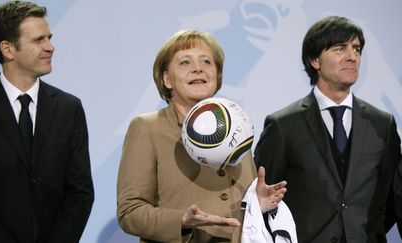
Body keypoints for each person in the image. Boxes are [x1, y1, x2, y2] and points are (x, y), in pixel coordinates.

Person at [117, 29, 289, 243]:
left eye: (206, 62)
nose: (198, 68)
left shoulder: (237, 125)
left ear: (217, 77)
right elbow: (130, 212)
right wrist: (181, 221)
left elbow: (241, 209)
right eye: (185, 62)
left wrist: (257, 204)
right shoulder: (147, 128)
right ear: (167, 79)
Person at [253, 15, 401, 243]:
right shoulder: (283, 125)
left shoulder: (384, 124)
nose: (352, 57)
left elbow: (392, 200)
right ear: (315, 60)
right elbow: (262, 198)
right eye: (340, 49)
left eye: (357, 49)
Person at [0, 1, 94, 242]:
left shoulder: (70, 108)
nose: (50, 47)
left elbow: (80, 192)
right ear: (8, 49)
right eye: (39, 40)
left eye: (49, 37)